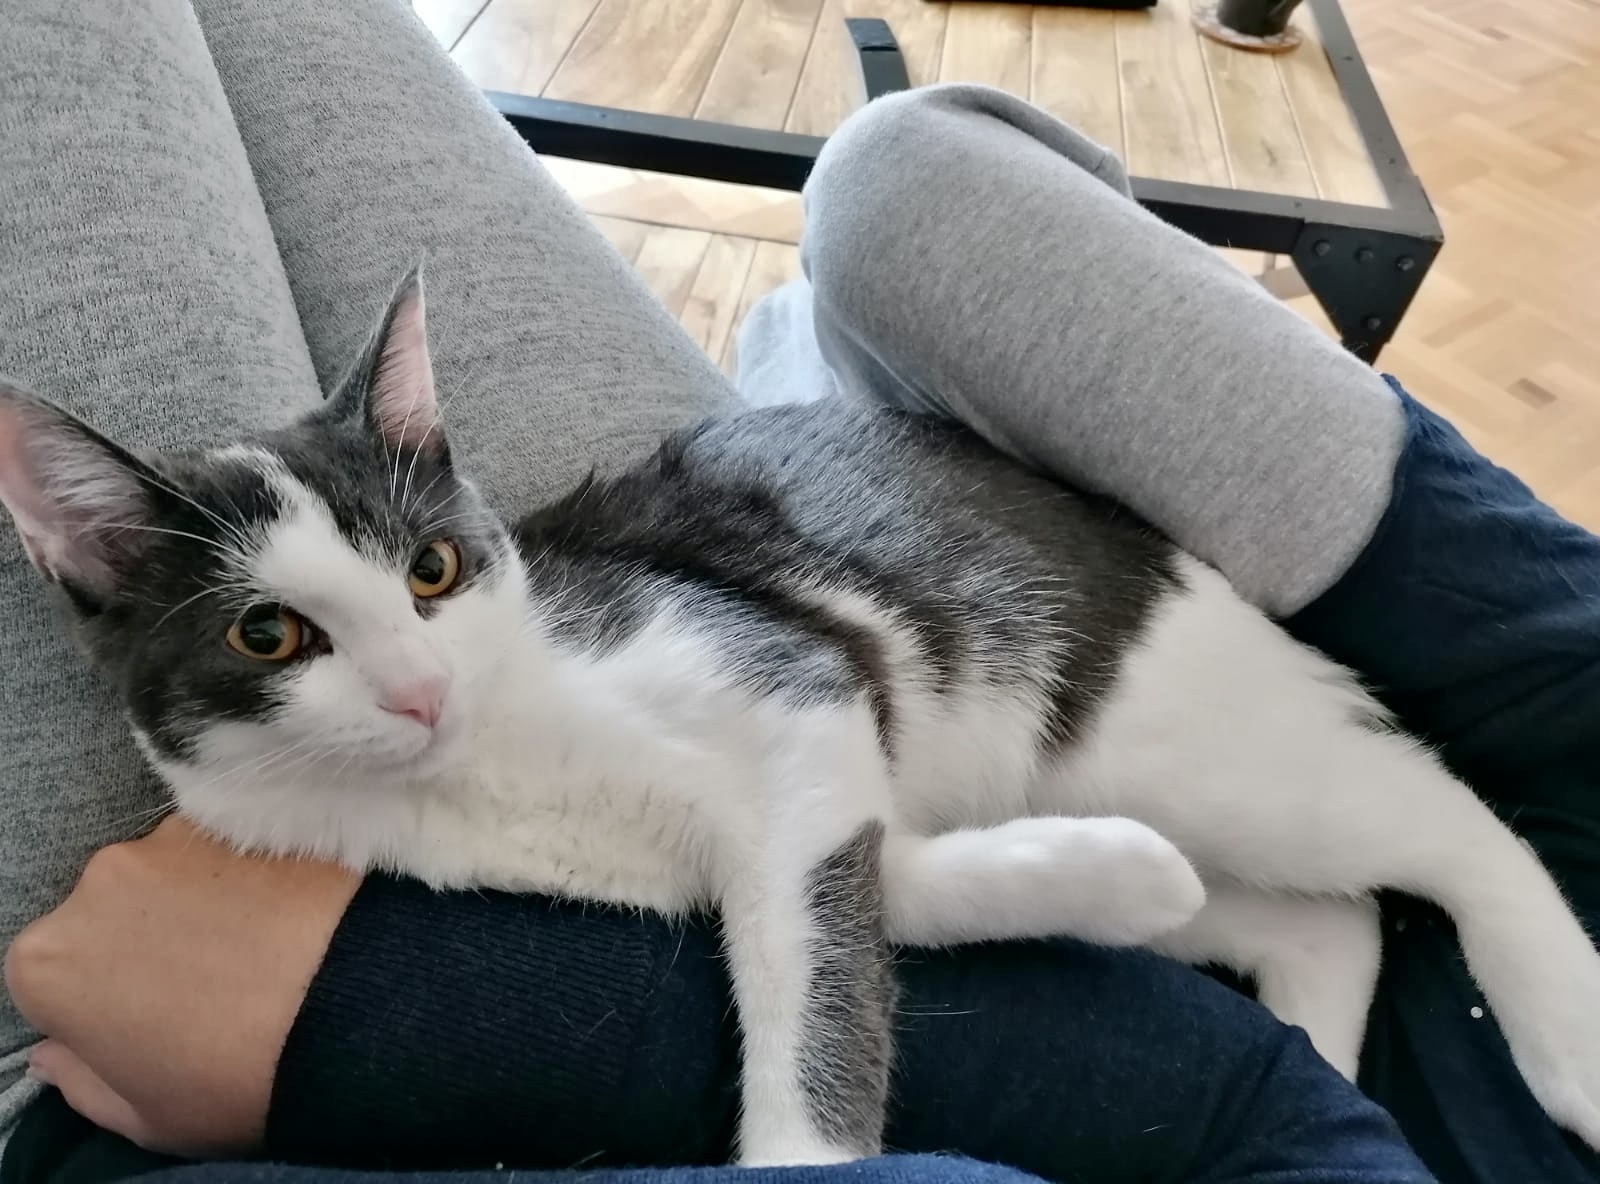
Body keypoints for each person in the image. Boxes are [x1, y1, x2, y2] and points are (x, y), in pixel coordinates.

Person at [0, 2, 1594, 1184]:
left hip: (805, 693)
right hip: (905, 610)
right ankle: (812, 363)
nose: (408, 675)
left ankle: (802, 361)